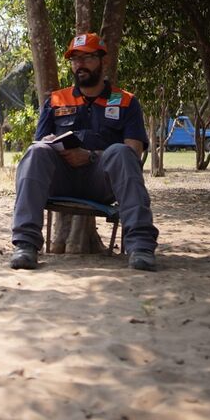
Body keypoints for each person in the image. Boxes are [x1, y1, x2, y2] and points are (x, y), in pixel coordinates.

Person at [9, 32, 159, 272]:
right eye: (75, 59)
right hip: (62, 178)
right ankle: (25, 245)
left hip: (102, 182)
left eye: (87, 58)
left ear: (102, 61)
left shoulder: (126, 102)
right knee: (36, 151)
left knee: (120, 152)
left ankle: (141, 245)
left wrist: (90, 156)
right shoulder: (56, 100)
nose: (80, 65)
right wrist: (49, 142)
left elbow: (134, 152)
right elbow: (40, 143)